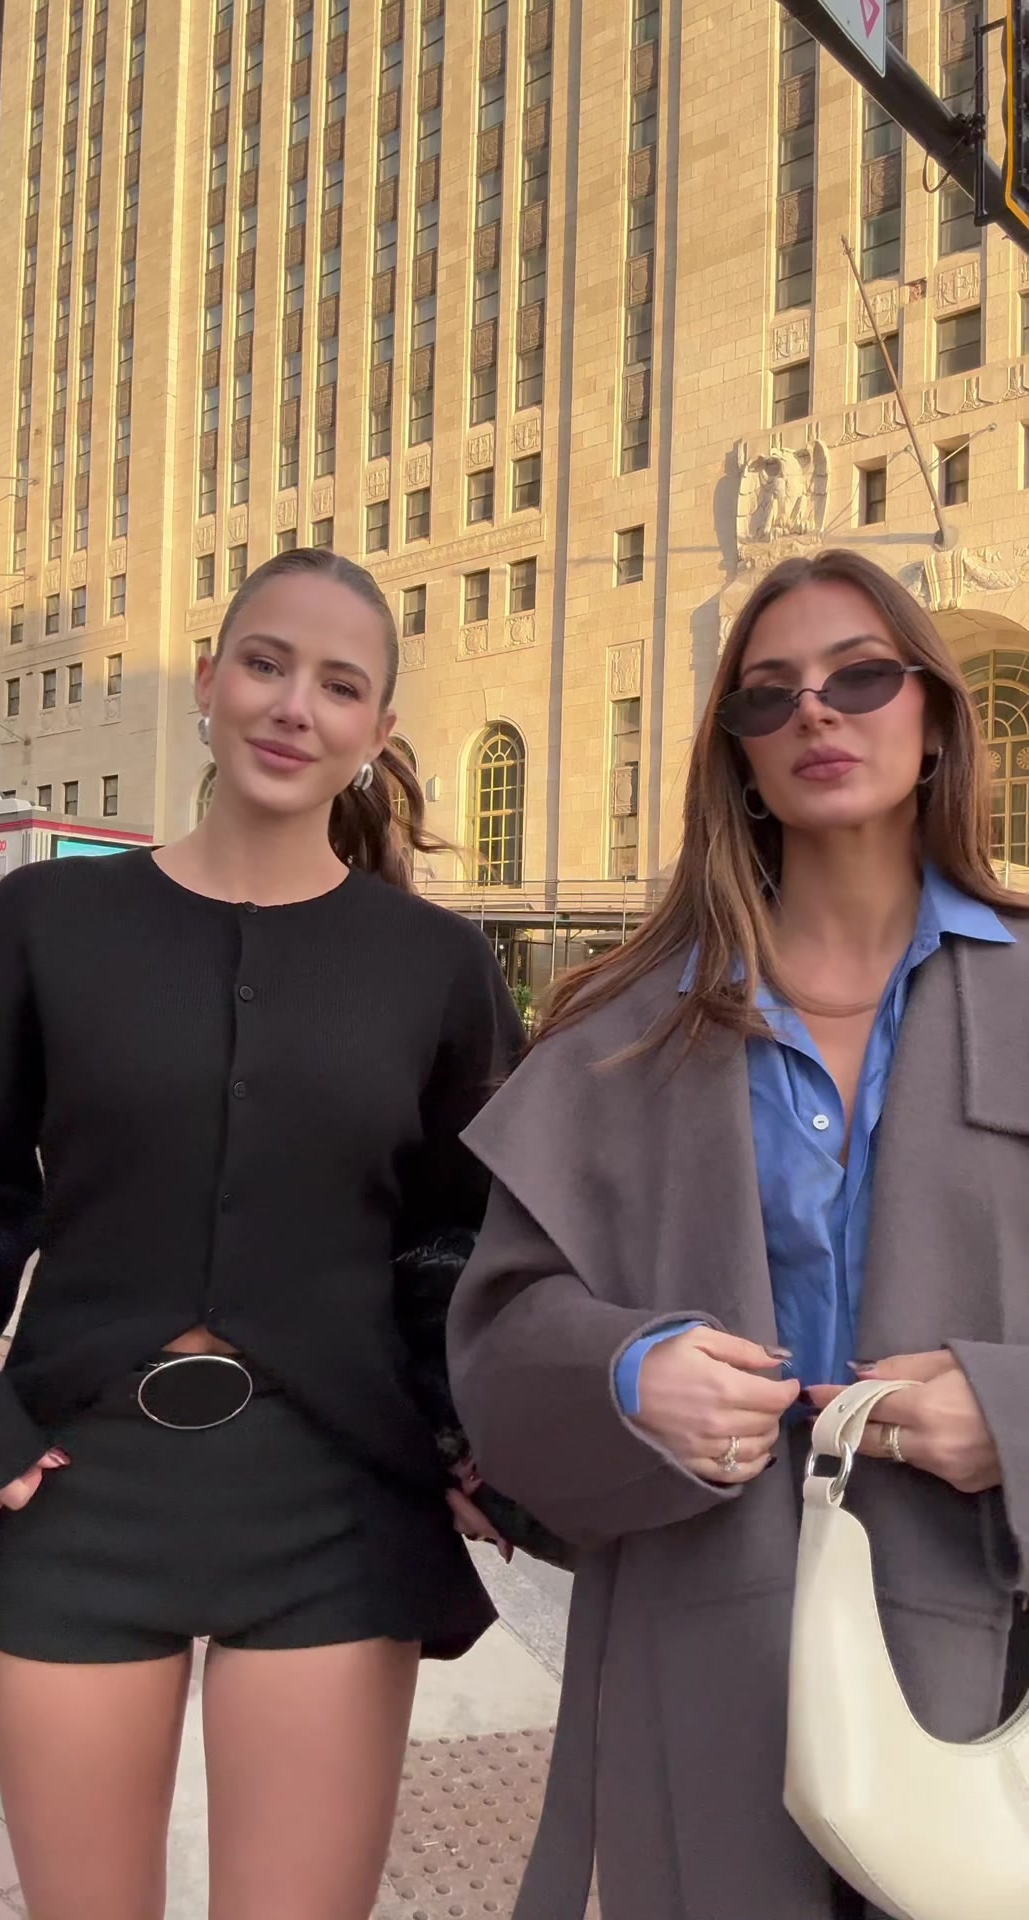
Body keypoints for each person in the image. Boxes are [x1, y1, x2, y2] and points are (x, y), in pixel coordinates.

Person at [448, 548, 1029, 1920]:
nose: (815, 711)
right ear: (740, 760)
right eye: (770, 695)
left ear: (934, 716)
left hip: (988, 1653)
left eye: (860, 677)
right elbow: (501, 1330)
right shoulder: (623, 1027)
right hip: (701, 1646)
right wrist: (625, 1372)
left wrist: (1012, 1415)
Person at [0, 547, 523, 1920]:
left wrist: (480, 1441)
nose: (293, 706)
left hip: (335, 1501)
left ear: (378, 730)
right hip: (78, 1489)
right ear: (207, 681)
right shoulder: (46, 922)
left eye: (340, 685)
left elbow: (476, 1239)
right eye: (265, 663)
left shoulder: (439, 965)